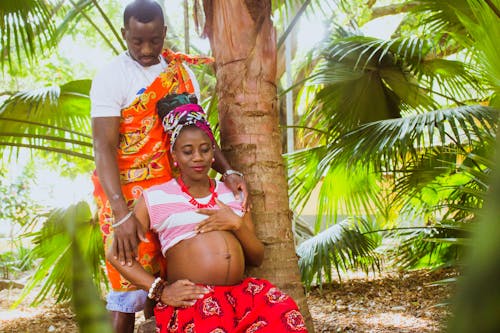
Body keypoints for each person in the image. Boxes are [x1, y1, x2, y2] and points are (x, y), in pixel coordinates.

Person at [90, 1, 247, 332]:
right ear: (124, 35)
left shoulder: (181, 73)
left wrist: (228, 171)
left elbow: (199, 132)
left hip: (176, 193)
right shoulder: (111, 76)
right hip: (128, 195)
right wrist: (121, 213)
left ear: (163, 33)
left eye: (154, 41)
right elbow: (103, 146)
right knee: (127, 285)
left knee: (169, 278)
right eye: (136, 42)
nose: (146, 50)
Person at [106, 103, 308, 332]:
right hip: (194, 299)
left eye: (204, 149)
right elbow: (115, 254)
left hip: (241, 297)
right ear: (174, 155)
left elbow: (257, 257)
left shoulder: (232, 192)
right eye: (188, 151)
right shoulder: (156, 197)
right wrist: (160, 290)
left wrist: (237, 224)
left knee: (284, 315)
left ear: (213, 152)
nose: (197, 157)